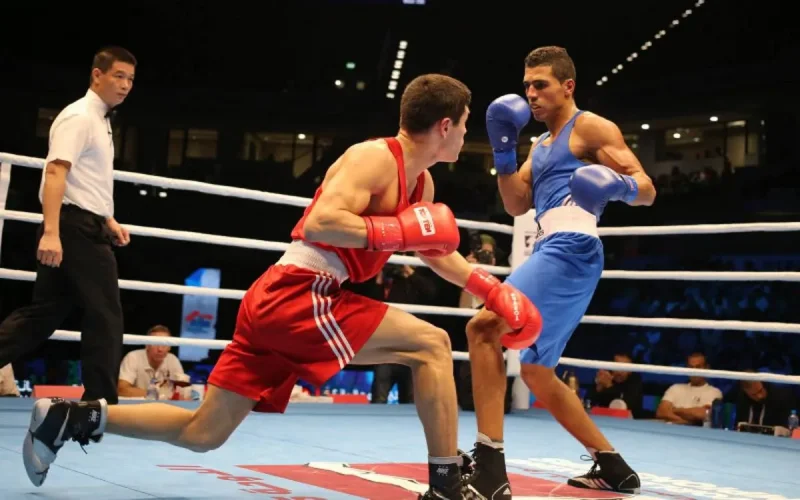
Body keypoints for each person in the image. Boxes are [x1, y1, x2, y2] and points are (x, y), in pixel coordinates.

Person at [23, 74, 543, 500]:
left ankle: (72, 417)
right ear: (446, 124)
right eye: (466, 124)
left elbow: (435, 249)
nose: (466, 134)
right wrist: (394, 231)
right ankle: (446, 484)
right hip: (302, 290)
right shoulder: (374, 158)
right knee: (432, 345)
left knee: (203, 432)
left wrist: (491, 289)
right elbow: (320, 223)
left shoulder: (422, 183)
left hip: (283, 299)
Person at [464, 46, 656, 497]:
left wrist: (617, 185)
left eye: (541, 85)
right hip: (553, 247)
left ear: (568, 86)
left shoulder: (590, 126)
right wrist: (503, 150)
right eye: (527, 85)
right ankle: (612, 466)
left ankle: (490, 467)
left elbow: (646, 189)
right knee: (536, 371)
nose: (531, 94)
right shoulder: (541, 144)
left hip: (573, 246)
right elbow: (515, 203)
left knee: (483, 327)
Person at [0, 46, 136, 405]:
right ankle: (101, 403)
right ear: (97, 75)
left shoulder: (101, 121)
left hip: (85, 224)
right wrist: (50, 231)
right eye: (118, 76)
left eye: (130, 79)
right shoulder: (79, 117)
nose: (125, 85)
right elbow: (56, 172)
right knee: (105, 312)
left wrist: (107, 218)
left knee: (42, 316)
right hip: (74, 229)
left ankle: (98, 400)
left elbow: (87, 182)